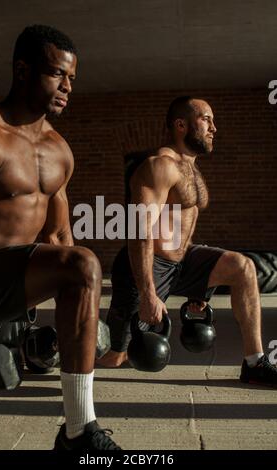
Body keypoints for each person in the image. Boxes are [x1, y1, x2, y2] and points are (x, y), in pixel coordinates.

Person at [0, 24, 120, 450]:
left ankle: (77, 430)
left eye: (72, 78)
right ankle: (79, 433)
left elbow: (59, 234)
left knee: (81, 265)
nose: (67, 87)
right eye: (58, 74)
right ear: (22, 71)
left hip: (6, 300)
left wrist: (81, 306)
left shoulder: (59, 150)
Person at [98, 96, 277, 387]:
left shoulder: (191, 167)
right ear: (181, 125)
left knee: (242, 267)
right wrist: (147, 293)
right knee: (116, 356)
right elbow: (140, 231)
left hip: (182, 260)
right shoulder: (159, 166)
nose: (214, 128)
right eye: (206, 119)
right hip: (145, 267)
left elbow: (183, 225)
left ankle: (255, 362)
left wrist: (202, 285)